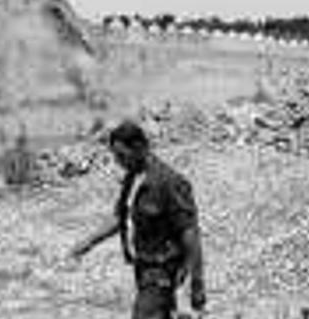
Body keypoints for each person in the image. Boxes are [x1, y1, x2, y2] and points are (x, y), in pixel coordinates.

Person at [68, 120, 206, 318]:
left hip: (162, 270)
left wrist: (197, 282)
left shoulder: (169, 183)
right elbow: (120, 218)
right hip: (142, 267)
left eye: (122, 156)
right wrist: (88, 242)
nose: (118, 162)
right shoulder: (132, 178)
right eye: (116, 157)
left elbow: (190, 234)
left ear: (140, 147)